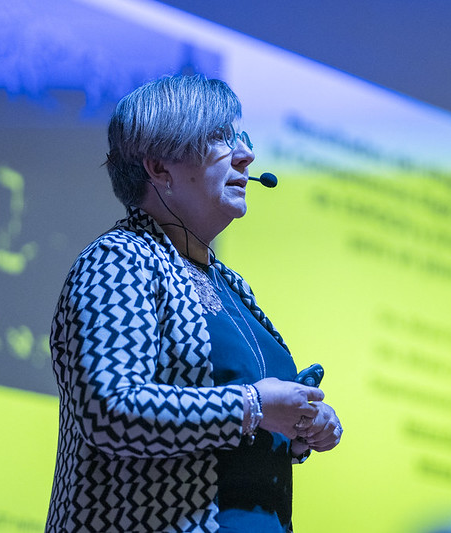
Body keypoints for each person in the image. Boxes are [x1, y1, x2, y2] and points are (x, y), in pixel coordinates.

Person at [46, 74, 342, 532]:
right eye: (219, 137)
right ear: (159, 168)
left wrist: (301, 426)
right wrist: (254, 406)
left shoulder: (230, 284)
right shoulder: (120, 258)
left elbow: (236, 426)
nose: (246, 154)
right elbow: (108, 411)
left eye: (240, 137)